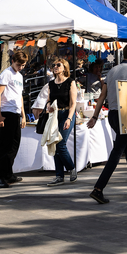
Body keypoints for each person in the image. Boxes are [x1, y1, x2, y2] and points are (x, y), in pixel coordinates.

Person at [88, 43, 127, 204]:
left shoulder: (112, 71)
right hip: (125, 114)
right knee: (117, 152)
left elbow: (102, 96)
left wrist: (95, 116)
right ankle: (98, 189)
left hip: (113, 114)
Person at [0, 50, 28, 188]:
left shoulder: (19, 76)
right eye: (19, 64)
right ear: (13, 61)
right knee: (4, 146)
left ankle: (8, 173)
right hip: (6, 111)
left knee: (14, 144)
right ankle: (0, 176)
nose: (21, 67)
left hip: (16, 112)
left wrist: (23, 115)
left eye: (23, 65)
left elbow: (19, 96)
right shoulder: (6, 73)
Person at [45, 58, 78, 186]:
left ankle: (71, 168)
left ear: (65, 67)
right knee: (54, 143)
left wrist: (69, 118)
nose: (55, 67)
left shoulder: (70, 82)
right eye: (53, 65)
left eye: (58, 65)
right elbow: (48, 99)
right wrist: (48, 105)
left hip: (66, 114)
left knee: (60, 143)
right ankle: (59, 176)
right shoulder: (51, 84)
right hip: (55, 115)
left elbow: (73, 103)